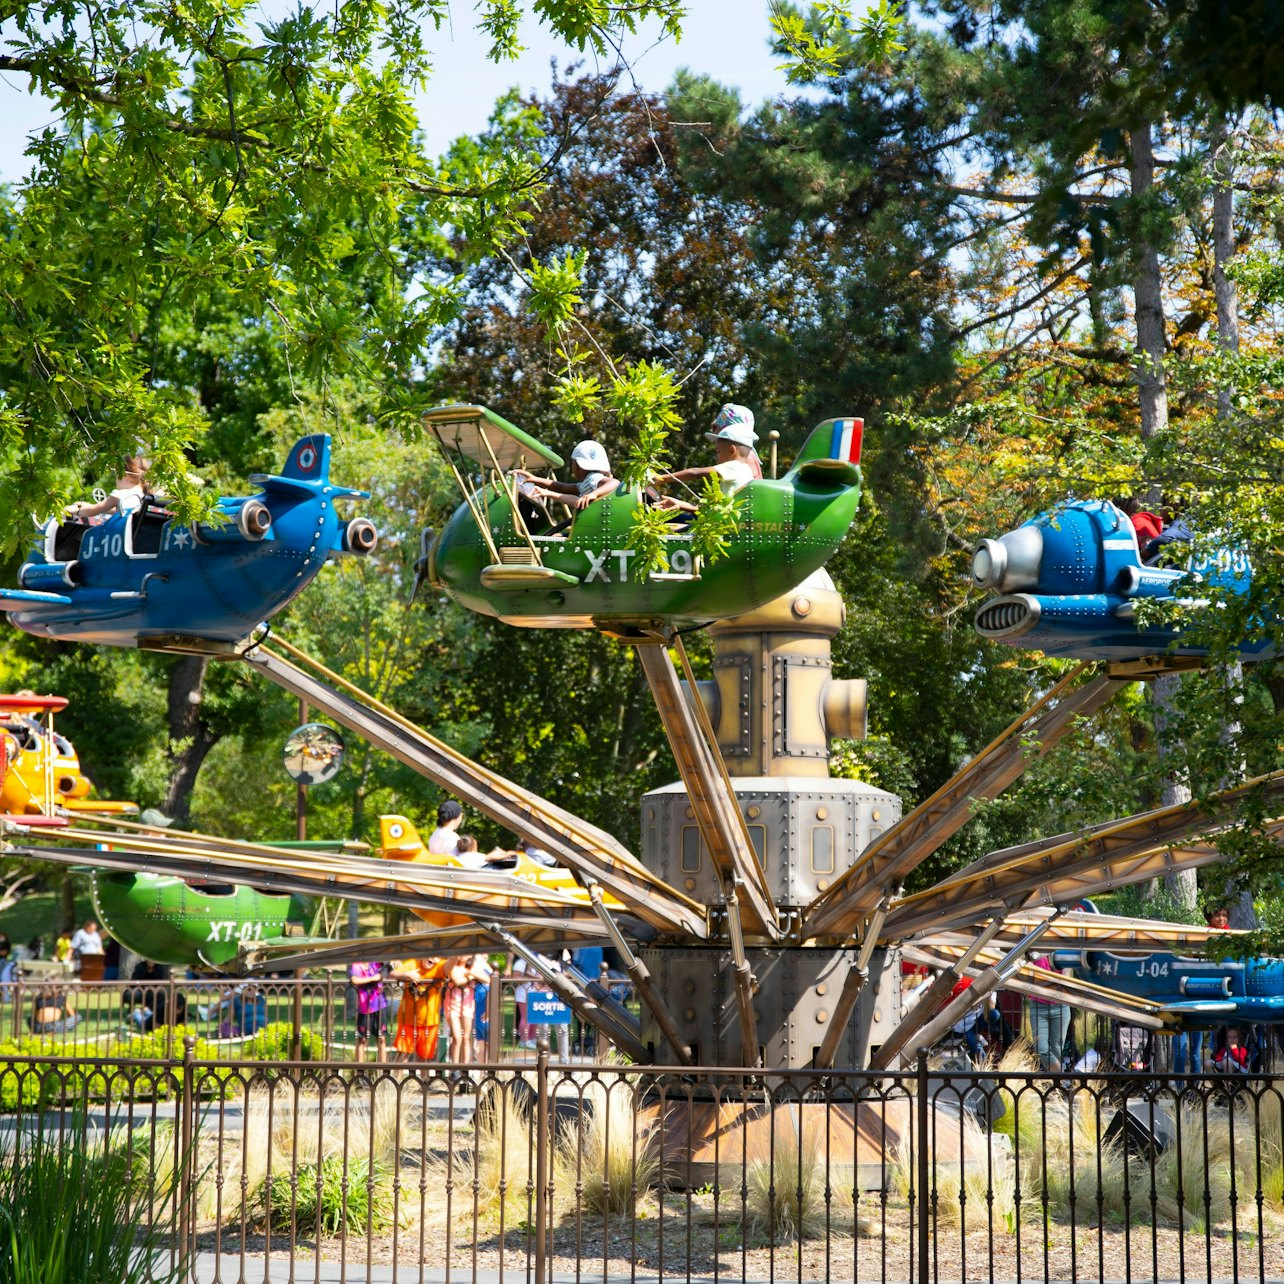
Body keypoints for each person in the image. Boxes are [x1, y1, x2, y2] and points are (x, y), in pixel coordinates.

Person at [653, 405, 760, 517]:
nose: (716, 458)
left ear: (732, 450)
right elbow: (715, 508)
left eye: (718, 452)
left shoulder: (735, 466)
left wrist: (661, 479)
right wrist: (681, 504)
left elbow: (695, 473)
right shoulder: (744, 469)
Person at [514, 440, 615, 512]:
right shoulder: (586, 482)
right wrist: (535, 479)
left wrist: (594, 494)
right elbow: (562, 487)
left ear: (577, 464)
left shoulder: (593, 479)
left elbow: (614, 482)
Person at [391, 957, 447, 1063]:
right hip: (408, 1020)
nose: (433, 958)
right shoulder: (413, 963)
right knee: (403, 1053)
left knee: (425, 1057)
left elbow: (450, 967)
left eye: (436, 956)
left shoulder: (440, 966)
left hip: (430, 1022)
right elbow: (392, 973)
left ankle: (424, 1079)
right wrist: (407, 975)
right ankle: (395, 1079)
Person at [65, 455, 151, 523]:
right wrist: (86, 505)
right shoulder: (145, 496)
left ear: (124, 475)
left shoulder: (120, 495)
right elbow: (122, 511)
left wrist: (66, 509)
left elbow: (91, 511)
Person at [1028, 955, 1071, 1071]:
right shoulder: (1035, 951)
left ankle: (1055, 1085)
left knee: (1057, 1050)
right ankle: (1061, 1075)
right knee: (1041, 1049)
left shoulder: (1062, 952)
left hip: (1060, 1006)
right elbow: (1027, 969)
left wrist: (1043, 978)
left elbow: (1066, 978)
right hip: (1038, 1006)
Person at [443, 955, 485, 1066]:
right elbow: (456, 980)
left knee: (466, 1037)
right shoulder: (452, 965)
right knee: (457, 1037)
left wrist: (473, 974)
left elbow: (488, 979)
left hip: (467, 1005)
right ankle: (454, 1066)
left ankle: (465, 1067)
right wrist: (468, 978)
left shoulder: (472, 967)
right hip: (452, 1005)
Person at [349, 960, 389, 1063]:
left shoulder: (375, 962)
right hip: (364, 1007)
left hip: (379, 1004)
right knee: (362, 1039)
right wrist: (372, 979)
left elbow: (387, 968)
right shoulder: (357, 965)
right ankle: (360, 1072)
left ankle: (382, 1072)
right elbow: (355, 980)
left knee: (381, 1038)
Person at [472, 954, 494, 1060]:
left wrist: (489, 1010)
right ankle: (484, 1072)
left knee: (486, 1044)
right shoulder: (476, 968)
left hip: (485, 1009)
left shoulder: (485, 969)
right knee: (483, 1044)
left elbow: (491, 985)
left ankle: (486, 1071)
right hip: (480, 1010)